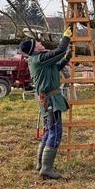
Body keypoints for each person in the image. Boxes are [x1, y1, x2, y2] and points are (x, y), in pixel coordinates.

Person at [20, 26, 72, 179]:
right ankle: (46, 168)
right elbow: (59, 50)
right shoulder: (40, 58)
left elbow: (56, 66)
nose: (40, 42)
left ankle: (40, 164)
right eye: (36, 42)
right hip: (50, 100)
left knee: (49, 131)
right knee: (55, 132)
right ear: (34, 49)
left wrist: (68, 57)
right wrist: (66, 37)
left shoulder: (40, 59)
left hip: (46, 99)